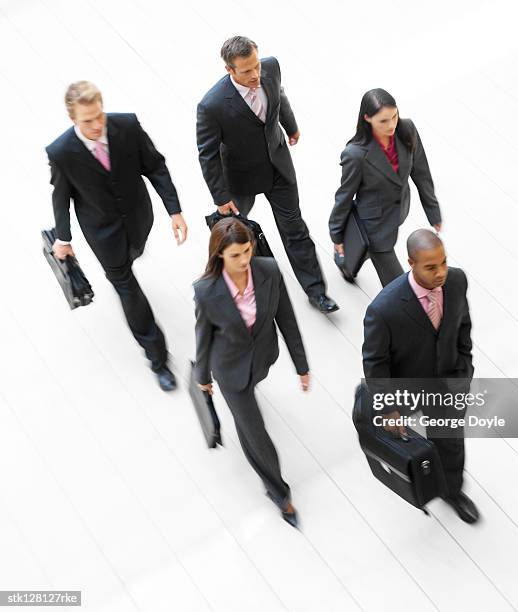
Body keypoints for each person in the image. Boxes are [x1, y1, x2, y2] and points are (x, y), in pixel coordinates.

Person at [47, 81, 187, 390]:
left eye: (100, 115)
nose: (97, 125)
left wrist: (174, 210)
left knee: (134, 253)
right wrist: (63, 238)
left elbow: (156, 166)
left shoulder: (127, 125)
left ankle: (132, 255)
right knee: (127, 288)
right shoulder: (60, 152)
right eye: (87, 120)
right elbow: (61, 197)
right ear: (73, 118)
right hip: (102, 234)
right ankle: (158, 358)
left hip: (139, 219)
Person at [196, 35, 339, 314]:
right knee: (234, 235)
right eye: (246, 70)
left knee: (295, 229)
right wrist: (220, 195)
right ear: (229, 70)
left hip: (278, 168)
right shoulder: (211, 106)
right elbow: (207, 154)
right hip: (240, 179)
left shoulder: (270, 68)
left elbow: (279, 96)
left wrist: (291, 126)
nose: (255, 74)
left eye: (256, 66)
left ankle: (317, 292)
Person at [193, 218, 309, 527]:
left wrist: (302, 365)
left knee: (248, 423)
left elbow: (286, 318)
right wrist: (202, 377)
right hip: (229, 371)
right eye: (235, 255)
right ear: (219, 255)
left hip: (261, 360)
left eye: (247, 251)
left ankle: (245, 420)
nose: (244, 260)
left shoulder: (268, 271)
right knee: (255, 433)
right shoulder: (206, 291)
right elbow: (203, 337)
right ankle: (279, 493)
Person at [362, 229, 480, 523]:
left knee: (451, 440)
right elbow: (375, 363)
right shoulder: (383, 309)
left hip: (449, 382)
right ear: (410, 263)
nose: (440, 272)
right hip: (408, 385)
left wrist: (464, 369)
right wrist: (388, 408)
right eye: (430, 266)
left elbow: (462, 325)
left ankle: (452, 490)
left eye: (443, 263)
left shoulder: (456, 280)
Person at [329, 89, 442, 287]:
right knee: (398, 286)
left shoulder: (407, 129)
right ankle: (347, 257)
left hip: (398, 211)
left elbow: (421, 171)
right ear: (367, 118)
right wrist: (337, 235)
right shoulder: (355, 154)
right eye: (383, 121)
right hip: (373, 224)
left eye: (394, 116)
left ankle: (348, 258)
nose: (391, 125)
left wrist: (433, 211)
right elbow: (344, 196)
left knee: (362, 251)